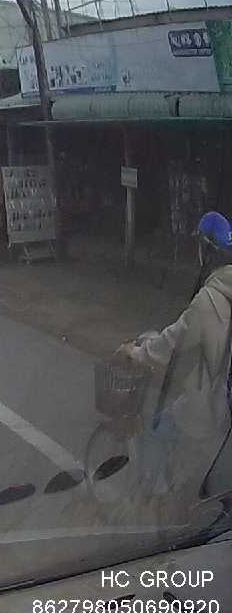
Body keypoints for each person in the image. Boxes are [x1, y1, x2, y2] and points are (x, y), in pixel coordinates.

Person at [118, 211, 232, 501]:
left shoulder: (209, 300)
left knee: (157, 431)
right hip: (225, 410)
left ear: (207, 251)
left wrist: (137, 351)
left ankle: (159, 505)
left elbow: (171, 344)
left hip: (210, 408)